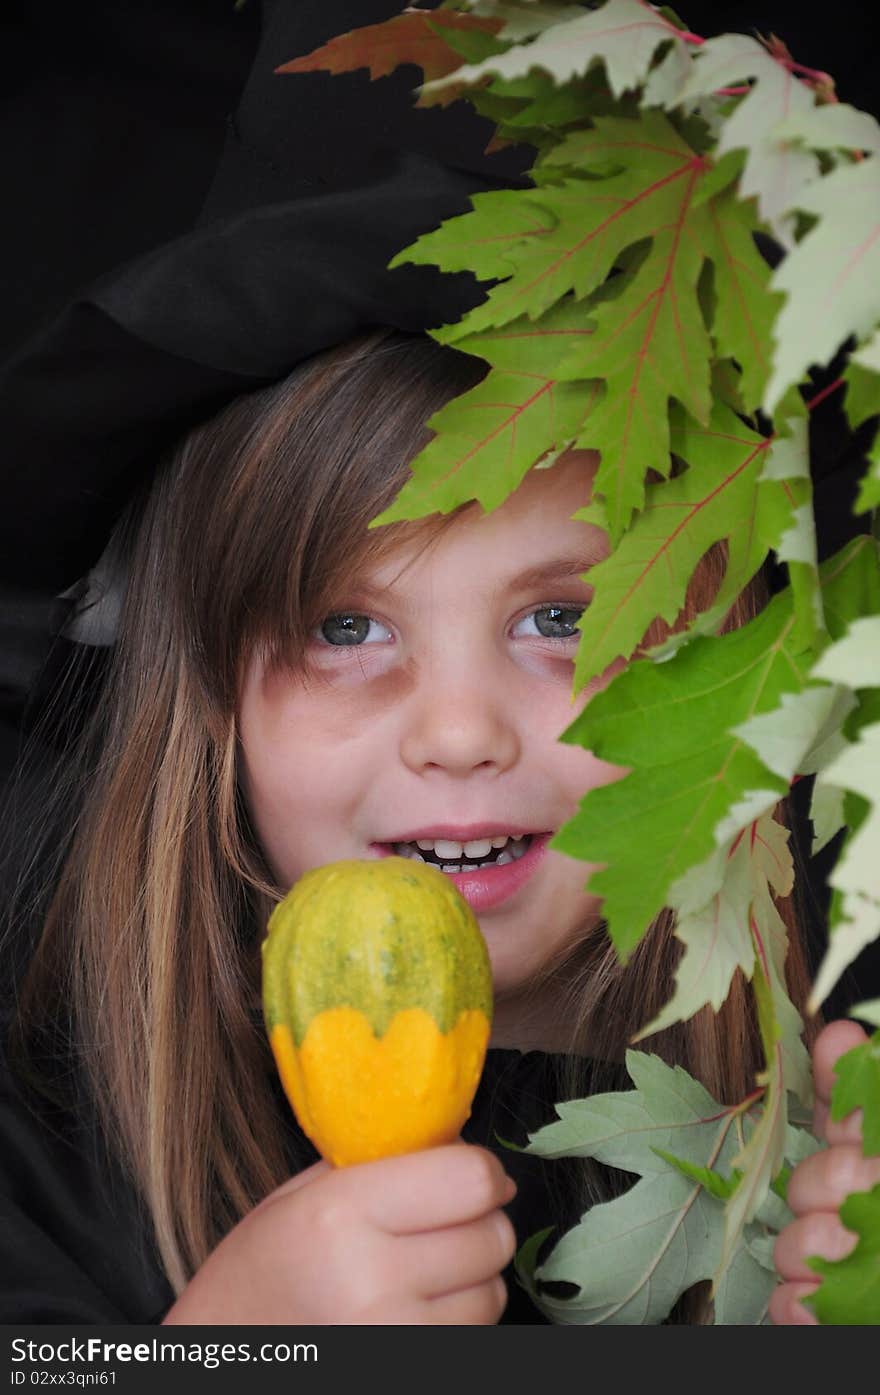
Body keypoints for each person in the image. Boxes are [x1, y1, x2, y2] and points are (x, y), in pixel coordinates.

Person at [2, 326, 875, 1326]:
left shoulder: (848, 1123)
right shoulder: (36, 1167)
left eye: (562, 621)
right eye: (345, 628)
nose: (458, 734)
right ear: (208, 699)